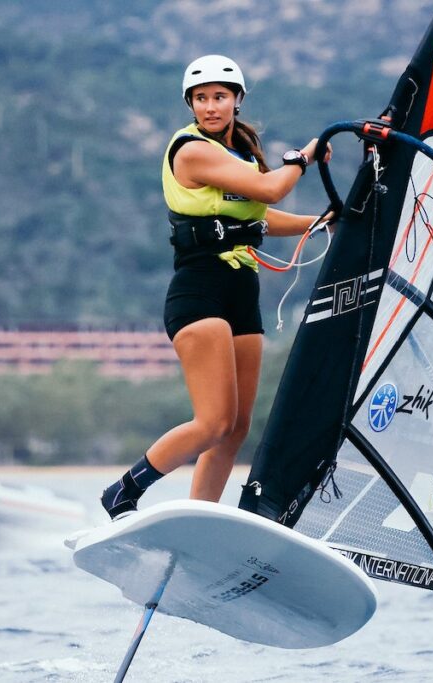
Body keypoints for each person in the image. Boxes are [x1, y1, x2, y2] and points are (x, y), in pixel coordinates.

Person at [100, 54, 332, 518]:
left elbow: (262, 215)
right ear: (191, 104)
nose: (211, 106)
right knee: (213, 422)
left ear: (237, 101)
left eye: (220, 97)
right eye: (201, 98)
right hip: (199, 291)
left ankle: (198, 520)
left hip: (242, 295)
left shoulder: (241, 157)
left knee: (237, 429)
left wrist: (326, 221)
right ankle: (123, 491)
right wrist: (305, 155)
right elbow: (270, 190)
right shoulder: (191, 150)